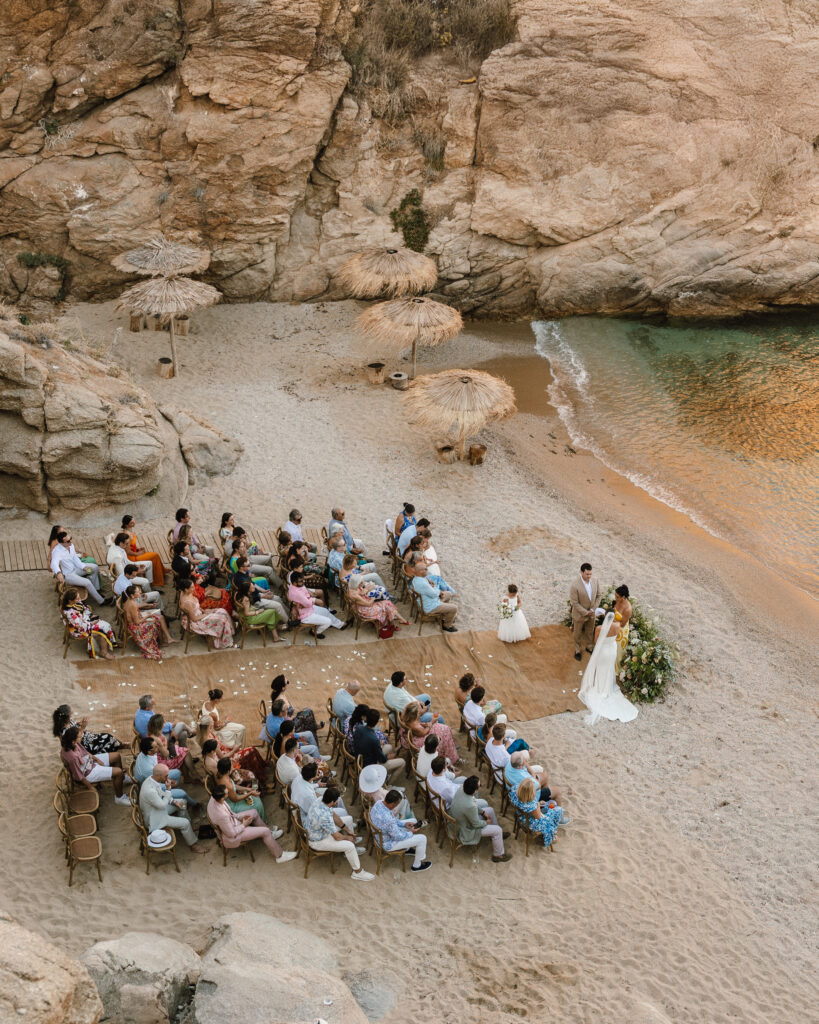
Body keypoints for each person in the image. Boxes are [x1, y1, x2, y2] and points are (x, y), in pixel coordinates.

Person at [578, 609, 639, 725]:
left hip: (604, 651)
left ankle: (600, 688)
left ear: (605, 616)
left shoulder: (600, 628)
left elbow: (596, 641)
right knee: (609, 669)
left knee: (601, 670)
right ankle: (606, 688)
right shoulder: (617, 625)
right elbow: (616, 638)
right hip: (612, 650)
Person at [207, 785, 296, 862]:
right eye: (227, 793)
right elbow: (231, 833)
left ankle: (271, 835)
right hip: (234, 835)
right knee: (265, 831)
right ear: (222, 798)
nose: (229, 792)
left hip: (233, 821)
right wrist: (244, 825)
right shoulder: (222, 816)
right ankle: (279, 856)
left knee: (254, 812)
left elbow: (230, 813)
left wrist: (239, 817)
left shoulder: (213, 797)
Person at [304, 788, 374, 881]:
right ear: (333, 801)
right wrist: (347, 838)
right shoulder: (324, 817)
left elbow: (334, 815)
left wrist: (347, 830)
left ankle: (352, 849)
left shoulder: (320, 800)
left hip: (317, 830)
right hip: (318, 841)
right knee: (349, 846)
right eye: (337, 800)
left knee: (348, 819)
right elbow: (337, 837)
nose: (338, 801)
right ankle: (357, 872)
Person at [140, 764, 207, 853]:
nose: (168, 777)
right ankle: (193, 845)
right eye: (166, 776)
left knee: (182, 803)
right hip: (156, 818)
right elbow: (163, 805)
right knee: (185, 823)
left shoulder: (152, 779)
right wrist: (168, 789)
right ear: (158, 776)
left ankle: (186, 827)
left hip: (157, 808)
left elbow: (160, 794)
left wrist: (174, 802)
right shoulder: (150, 791)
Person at [450, 776, 512, 862]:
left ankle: (497, 837)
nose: (481, 786)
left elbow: (473, 803)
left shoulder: (462, 789)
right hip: (465, 829)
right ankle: (498, 855)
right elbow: (476, 824)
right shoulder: (469, 806)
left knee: (490, 810)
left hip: (460, 819)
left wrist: (482, 812)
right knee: (497, 830)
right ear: (475, 791)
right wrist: (486, 822)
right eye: (480, 785)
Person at [60, 726, 129, 804]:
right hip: (88, 773)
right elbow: (79, 775)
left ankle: (121, 779)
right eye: (79, 737)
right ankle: (119, 798)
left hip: (89, 762)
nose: (81, 738)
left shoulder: (73, 743)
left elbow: (85, 752)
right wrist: (90, 787)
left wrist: (97, 759)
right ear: (73, 741)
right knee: (119, 772)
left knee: (116, 756)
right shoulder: (72, 757)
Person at [369, 790, 431, 872]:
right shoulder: (388, 820)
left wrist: (404, 824)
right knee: (422, 838)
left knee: (413, 820)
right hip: (387, 843)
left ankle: (407, 849)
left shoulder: (379, 803)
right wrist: (411, 832)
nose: (398, 805)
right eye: (398, 804)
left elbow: (392, 819)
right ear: (392, 804)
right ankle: (417, 866)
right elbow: (398, 836)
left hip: (381, 833)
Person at [134, 737, 198, 808]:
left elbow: (158, 777)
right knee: (182, 793)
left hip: (154, 780)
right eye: (155, 747)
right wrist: (169, 785)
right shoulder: (147, 768)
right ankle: (194, 805)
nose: (158, 748)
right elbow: (157, 784)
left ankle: (174, 793)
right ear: (149, 751)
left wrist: (168, 781)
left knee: (177, 772)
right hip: (152, 787)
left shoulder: (147, 753)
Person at [50, 530, 108, 605]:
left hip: (76, 568)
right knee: (87, 582)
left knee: (95, 567)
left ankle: (96, 590)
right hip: (68, 575)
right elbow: (54, 563)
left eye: (70, 538)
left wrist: (83, 566)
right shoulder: (57, 551)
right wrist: (58, 573)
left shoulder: (70, 545)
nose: (71, 542)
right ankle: (101, 601)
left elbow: (74, 557)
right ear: (61, 543)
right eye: (68, 541)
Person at [122, 586, 177, 660]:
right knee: (157, 620)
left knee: (160, 617)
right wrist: (148, 616)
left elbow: (137, 606)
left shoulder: (130, 600)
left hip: (136, 620)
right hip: (136, 627)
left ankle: (165, 640)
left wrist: (148, 605)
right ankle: (162, 641)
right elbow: (137, 622)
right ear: (132, 595)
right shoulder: (132, 605)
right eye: (138, 592)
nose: (140, 592)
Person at [178, 579, 235, 649]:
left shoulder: (184, 592)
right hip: (195, 621)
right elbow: (194, 618)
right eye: (192, 587)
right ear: (186, 589)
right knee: (222, 619)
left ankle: (229, 632)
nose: (194, 588)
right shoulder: (187, 602)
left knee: (222, 611)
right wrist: (206, 615)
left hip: (200, 613)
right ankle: (226, 642)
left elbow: (195, 606)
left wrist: (204, 611)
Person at [60, 588, 116, 659]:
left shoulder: (76, 603)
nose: (79, 599)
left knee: (106, 625)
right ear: (70, 600)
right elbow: (79, 626)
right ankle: (103, 652)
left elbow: (85, 609)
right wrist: (92, 623)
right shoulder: (70, 613)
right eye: (77, 598)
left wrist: (90, 615)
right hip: (80, 629)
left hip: (86, 620)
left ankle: (109, 643)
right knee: (104, 629)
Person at [509, 777, 566, 845]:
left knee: (552, 803)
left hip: (521, 816)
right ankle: (552, 834)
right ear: (530, 793)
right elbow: (540, 818)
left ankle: (553, 810)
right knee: (558, 809)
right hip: (530, 823)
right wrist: (539, 806)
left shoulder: (515, 790)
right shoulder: (533, 806)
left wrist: (539, 803)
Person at [288, 571, 346, 636]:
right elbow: (308, 603)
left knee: (325, 611)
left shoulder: (294, 586)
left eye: (303, 580)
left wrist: (308, 598)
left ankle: (340, 624)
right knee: (328, 621)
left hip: (307, 609)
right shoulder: (298, 593)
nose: (303, 582)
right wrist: (312, 599)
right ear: (294, 583)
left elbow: (307, 598)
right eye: (301, 581)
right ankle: (315, 632)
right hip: (304, 615)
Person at [52, 705, 123, 755]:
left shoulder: (67, 721)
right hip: (85, 746)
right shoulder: (65, 731)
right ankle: (115, 750)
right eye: (71, 713)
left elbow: (74, 728)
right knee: (108, 738)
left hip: (87, 738)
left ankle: (120, 744)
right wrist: (82, 728)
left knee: (107, 735)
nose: (72, 714)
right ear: (67, 716)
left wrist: (79, 724)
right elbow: (76, 744)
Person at [354, 708, 405, 773]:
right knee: (402, 762)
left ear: (366, 719)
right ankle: (388, 782)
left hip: (360, 758)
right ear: (377, 722)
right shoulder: (374, 739)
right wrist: (389, 756)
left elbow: (365, 742)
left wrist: (378, 744)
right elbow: (382, 760)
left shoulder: (359, 728)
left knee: (389, 747)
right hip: (369, 766)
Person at [410, 562, 458, 632]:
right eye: (426, 569)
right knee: (454, 608)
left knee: (448, 594)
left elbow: (432, 589)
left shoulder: (416, 578)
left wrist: (435, 589)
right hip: (431, 606)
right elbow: (434, 594)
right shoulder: (422, 583)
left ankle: (444, 616)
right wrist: (439, 592)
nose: (427, 570)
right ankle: (446, 626)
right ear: (420, 572)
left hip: (428, 600)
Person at [120, 515, 165, 586]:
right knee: (155, 555)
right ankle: (157, 580)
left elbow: (131, 546)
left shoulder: (129, 530)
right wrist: (138, 553)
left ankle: (159, 575)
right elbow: (128, 551)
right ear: (126, 524)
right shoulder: (127, 535)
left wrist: (137, 549)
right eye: (132, 522)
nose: (134, 523)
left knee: (154, 555)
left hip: (134, 553)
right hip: (132, 557)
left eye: (134, 521)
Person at [570, 562, 603, 661]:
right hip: (579, 614)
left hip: (592, 613)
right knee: (577, 633)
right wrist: (585, 612)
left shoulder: (595, 581)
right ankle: (577, 650)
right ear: (581, 572)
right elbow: (574, 603)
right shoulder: (574, 585)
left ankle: (589, 647)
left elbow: (599, 596)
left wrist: (593, 609)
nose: (589, 576)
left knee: (590, 631)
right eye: (587, 574)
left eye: (590, 574)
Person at [613, 584, 633, 672]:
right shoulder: (617, 600)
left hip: (621, 629)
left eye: (617, 597)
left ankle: (616, 668)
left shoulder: (628, 609)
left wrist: (611, 621)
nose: (615, 598)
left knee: (617, 649)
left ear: (623, 597)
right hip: (614, 624)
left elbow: (622, 624)